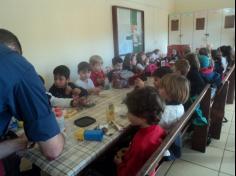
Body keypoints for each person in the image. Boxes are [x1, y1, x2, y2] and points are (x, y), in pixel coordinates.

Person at [0, 29, 64, 175]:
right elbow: (52, 150)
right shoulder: (16, 65)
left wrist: (18, 143)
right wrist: (61, 135)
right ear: (14, 50)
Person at [115, 86, 166, 176]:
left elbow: (128, 173)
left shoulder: (141, 145)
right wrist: (130, 150)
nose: (127, 114)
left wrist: (119, 163)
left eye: (129, 111)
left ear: (143, 117)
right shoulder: (158, 128)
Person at [158, 74, 190, 160]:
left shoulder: (167, 111)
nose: (158, 89)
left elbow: (156, 126)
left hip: (163, 138)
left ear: (170, 92)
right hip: (171, 135)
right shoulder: (180, 105)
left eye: (161, 88)